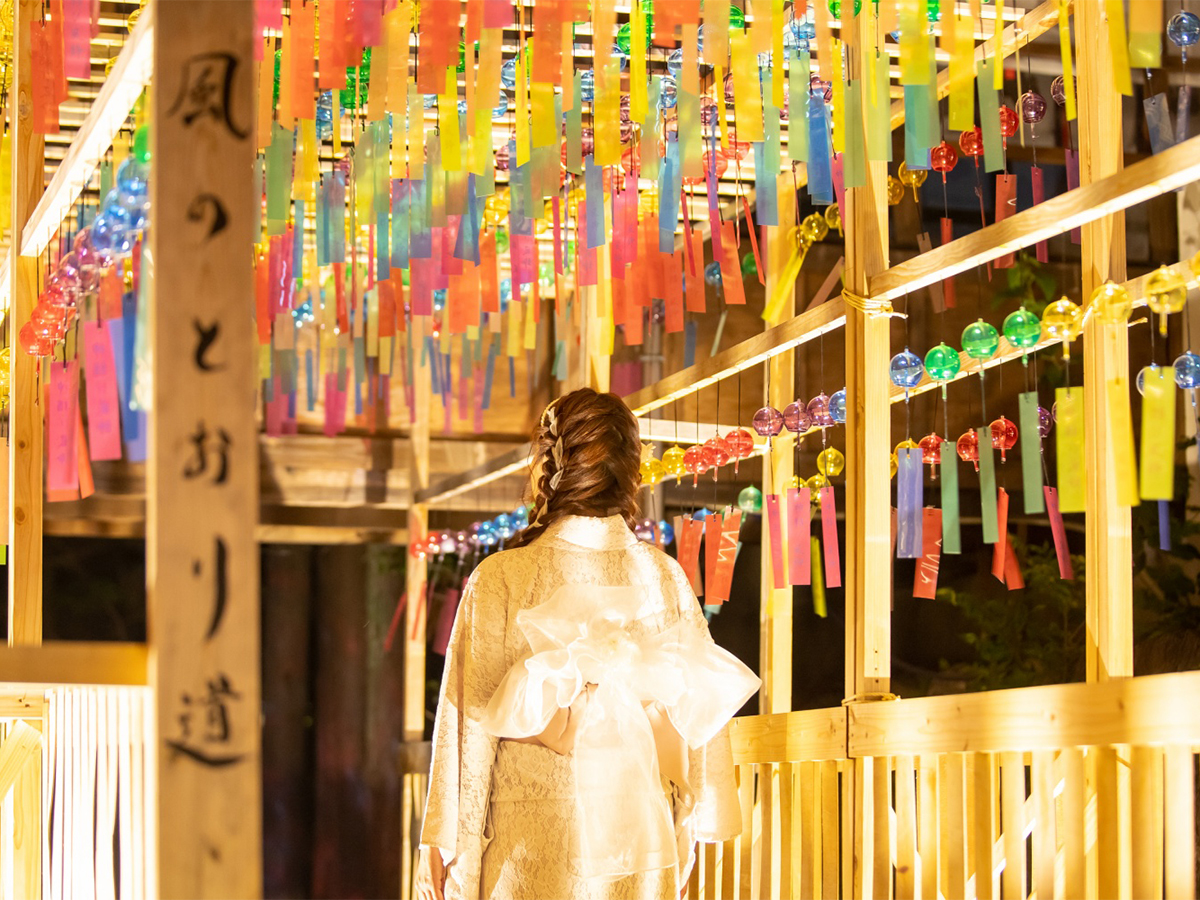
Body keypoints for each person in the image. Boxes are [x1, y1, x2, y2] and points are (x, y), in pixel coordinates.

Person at [416, 388, 760, 900]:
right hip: (639, 834)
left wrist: (446, 845)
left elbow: (468, 731)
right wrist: (695, 820)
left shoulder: (501, 577)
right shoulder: (664, 577)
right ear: (630, 469)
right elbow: (701, 720)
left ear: (547, 465)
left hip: (530, 840)